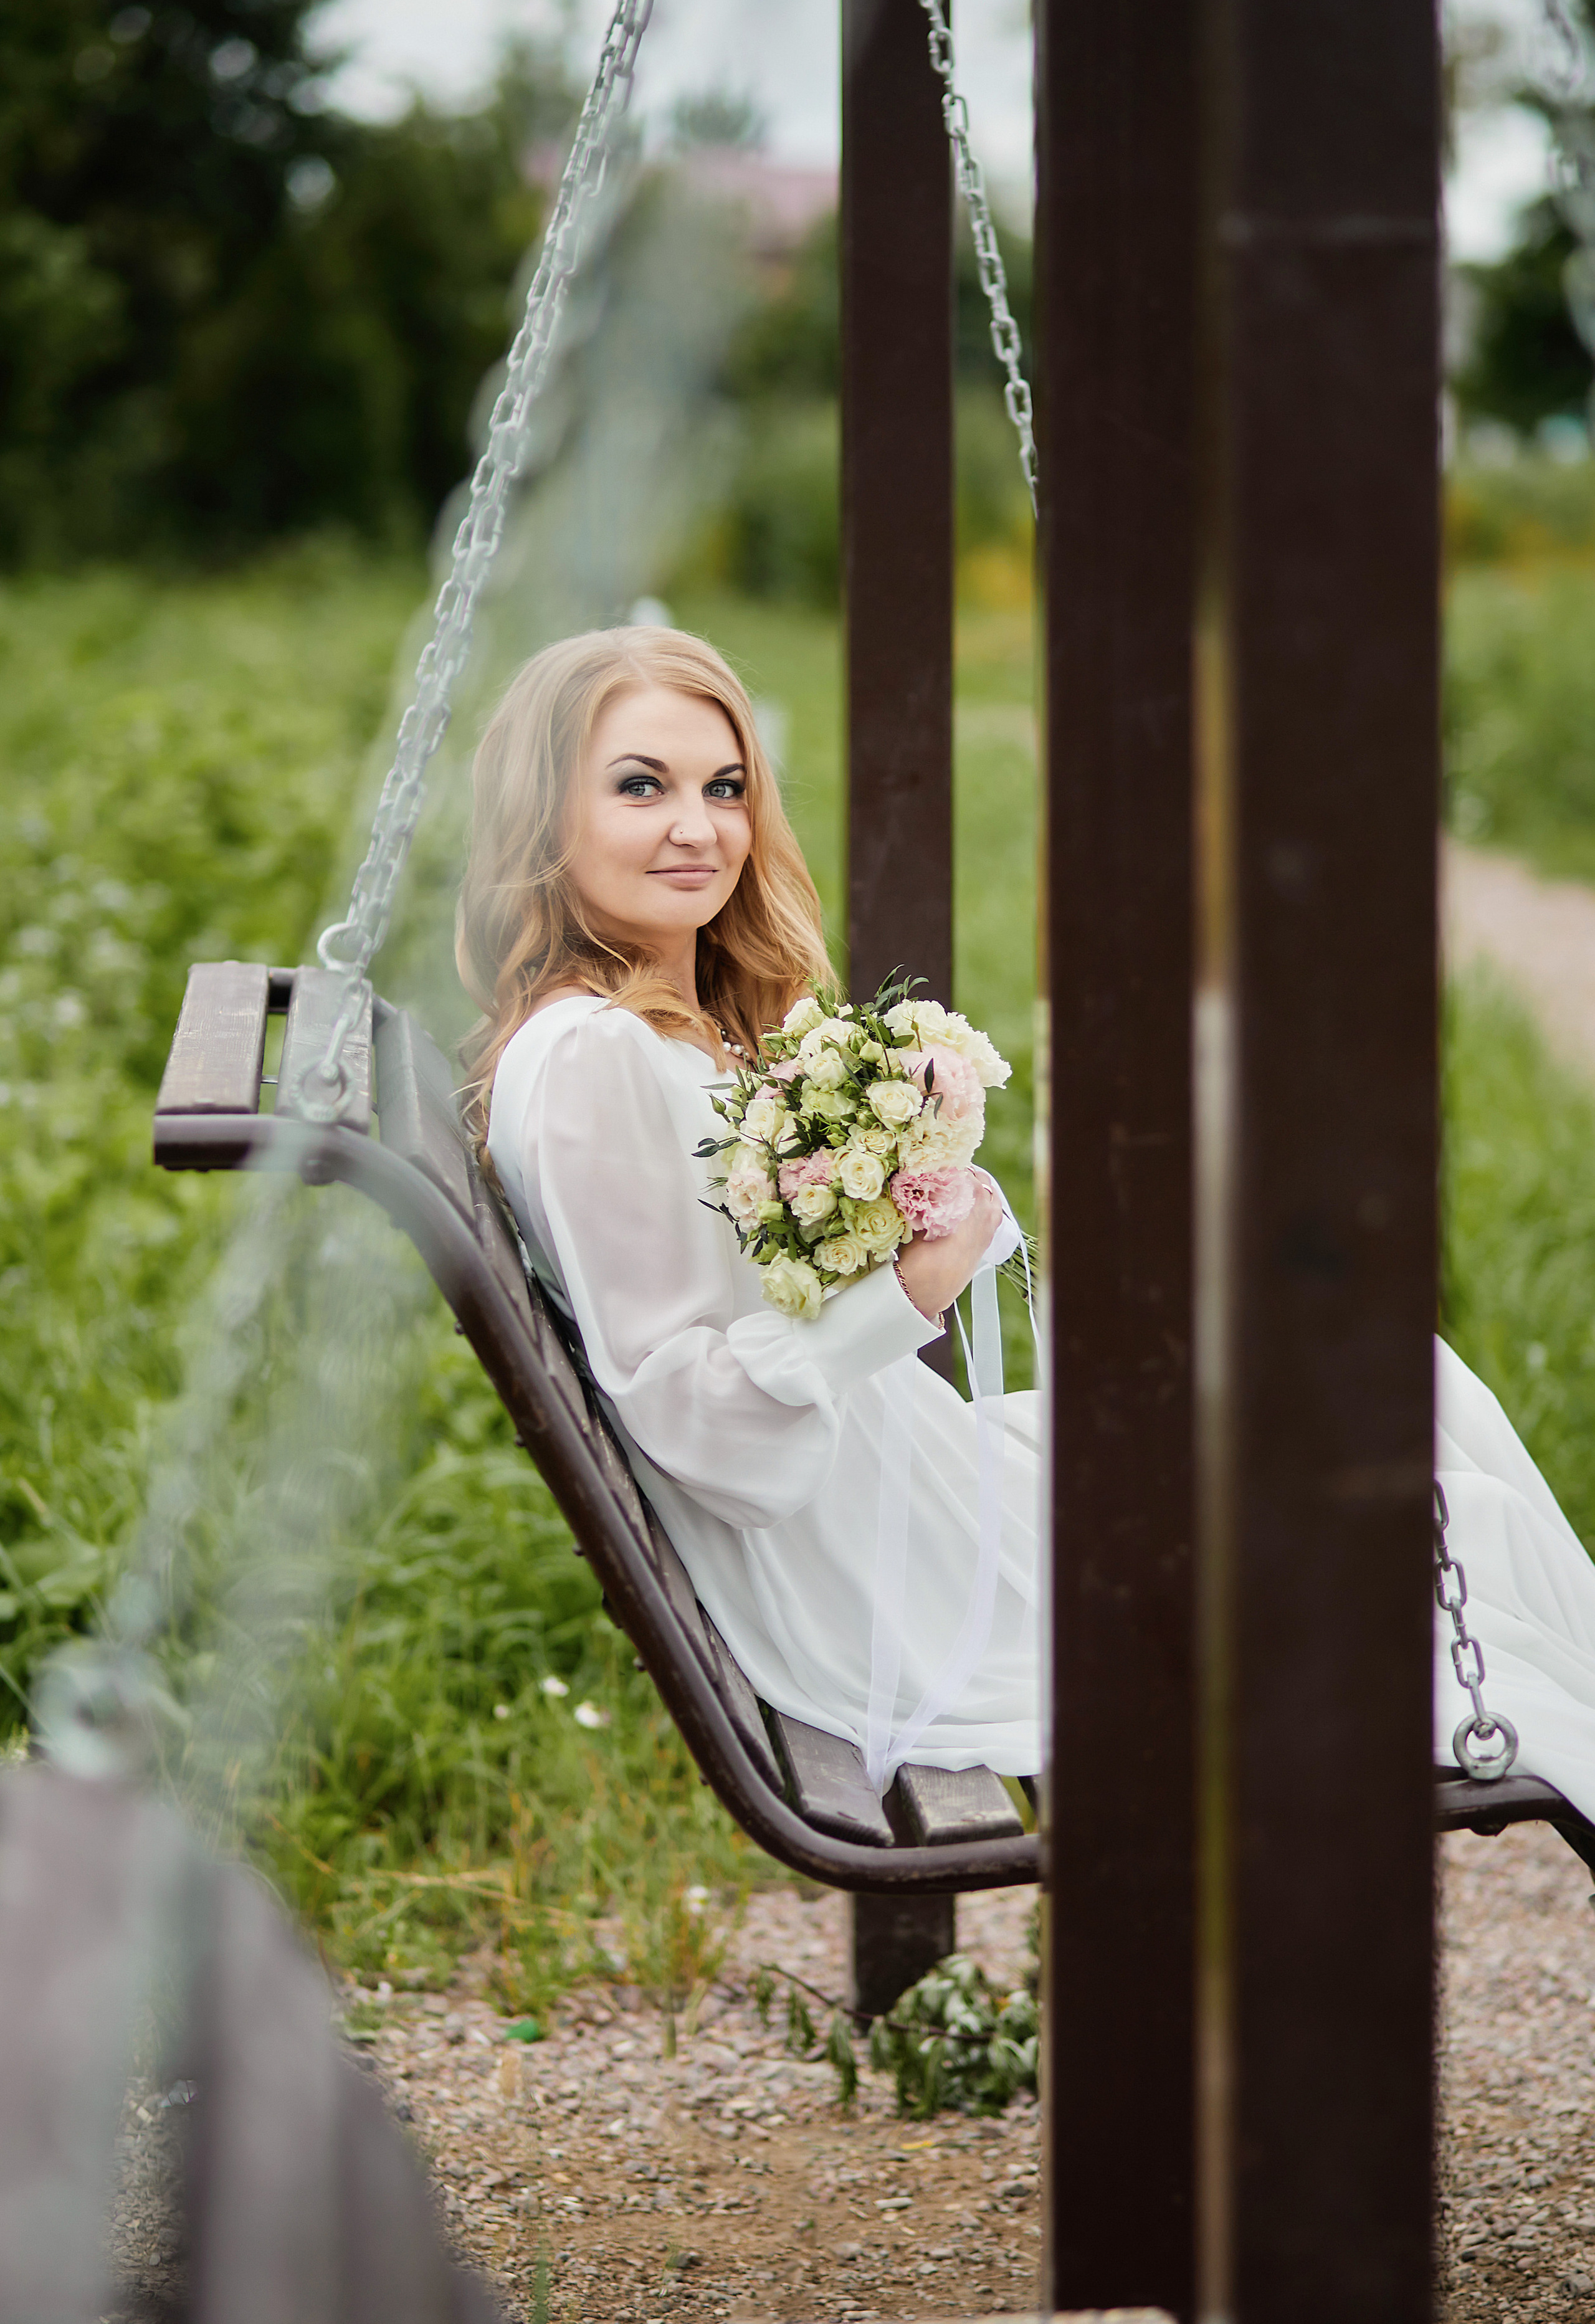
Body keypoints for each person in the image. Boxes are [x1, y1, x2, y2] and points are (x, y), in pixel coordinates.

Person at [459, 622, 1595, 1817]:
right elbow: (689, 1413)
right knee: (1441, 1520)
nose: (699, 828)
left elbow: (748, 1287)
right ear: (545, 813)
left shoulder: (677, 1024)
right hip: (880, 1573)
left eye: (725, 787)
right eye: (642, 787)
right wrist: (910, 1290)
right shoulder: (589, 1057)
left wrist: (899, 1193)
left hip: (908, 1483)